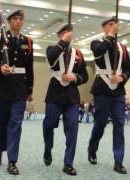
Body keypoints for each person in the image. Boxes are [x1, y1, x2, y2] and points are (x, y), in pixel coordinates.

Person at [0, 10, 34, 175]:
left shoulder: (28, 41)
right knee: (0, 123)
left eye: (21, 19)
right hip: (1, 89)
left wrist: (30, 89)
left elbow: (30, 68)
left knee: (16, 124)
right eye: (15, 19)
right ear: (9, 21)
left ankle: (12, 161)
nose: (19, 21)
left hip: (19, 90)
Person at [42, 23, 88, 176]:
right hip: (54, 95)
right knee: (48, 125)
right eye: (64, 33)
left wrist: (75, 77)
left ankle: (68, 163)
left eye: (69, 32)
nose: (67, 35)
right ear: (59, 35)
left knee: (73, 129)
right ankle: (48, 148)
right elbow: (51, 58)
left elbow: (85, 76)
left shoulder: (78, 54)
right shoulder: (52, 49)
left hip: (72, 97)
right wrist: (63, 42)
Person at [87, 16, 130, 174]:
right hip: (102, 88)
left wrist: (122, 78)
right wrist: (110, 35)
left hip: (118, 90)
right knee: (100, 123)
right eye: (110, 25)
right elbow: (99, 52)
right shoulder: (96, 43)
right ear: (104, 27)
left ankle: (118, 160)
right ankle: (92, 148)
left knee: (119, 124)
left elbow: (127, 69)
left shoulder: (123, 48)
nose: (114, 27)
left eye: (115, 25)